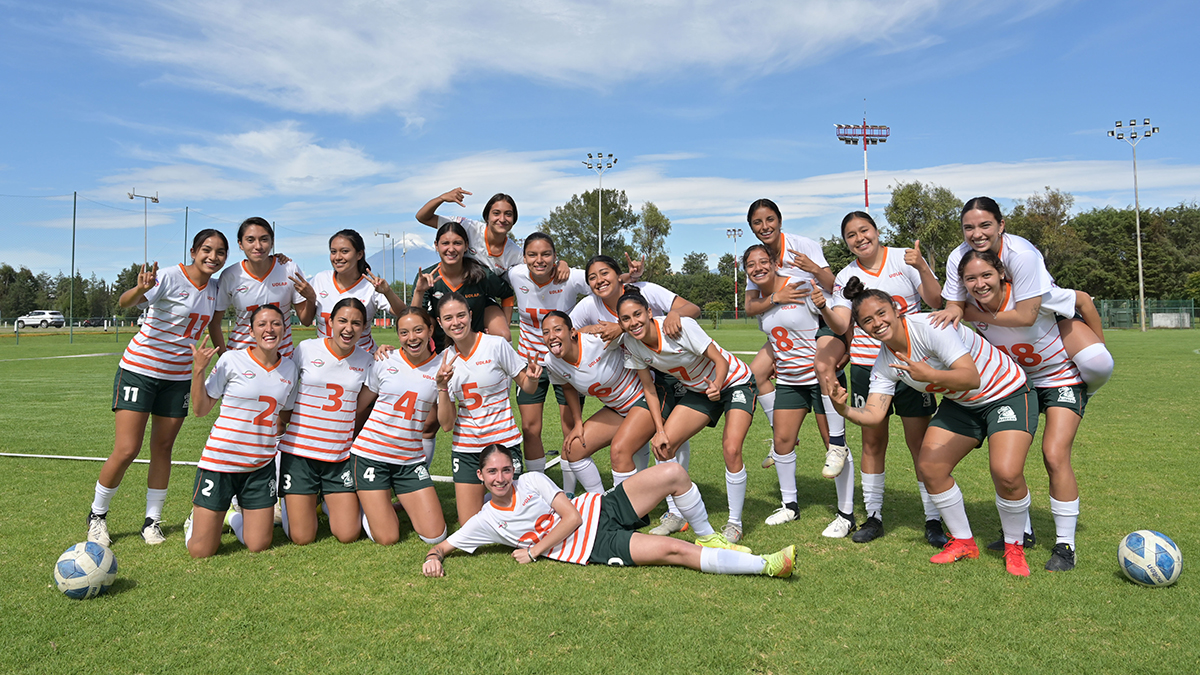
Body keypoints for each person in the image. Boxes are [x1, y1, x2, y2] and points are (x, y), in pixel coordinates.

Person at [828, 278, 1039, 577]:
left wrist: (928, 374)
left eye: (881, 313)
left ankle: (1014, 546)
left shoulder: (931, 327)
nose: (876, 323)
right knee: (930, 467)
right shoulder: (885, 362)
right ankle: (964, 541)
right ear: (861, 329)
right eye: (867, 321)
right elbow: (874, 415)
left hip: (1006, 393)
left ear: (897, 310)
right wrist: (843, 408)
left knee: (1006, 472)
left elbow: (971, 377)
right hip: (963, 403)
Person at [421, 445, 795, 579]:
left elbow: (572, 517)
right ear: (481, 477)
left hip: (600, 507)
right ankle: (767, 565)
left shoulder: (532, 481)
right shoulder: (487, 521)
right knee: (674, 553)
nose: (501, 478)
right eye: (492, 472)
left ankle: (708, 533)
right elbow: (443, 547)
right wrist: (433, 558)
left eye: (506, 470)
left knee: (674, 473)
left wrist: (534, 551)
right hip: (595, 546)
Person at [961, 249, 1103, 571]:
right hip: (1016, 385)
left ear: (1001, 275)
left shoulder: (1032, 297)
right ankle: (1021, 532)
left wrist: (1098, 347)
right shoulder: (968, 309)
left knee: (1054, 454)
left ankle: (1066, 545)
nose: (980, 284)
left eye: (986, 275)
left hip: (1061, 377)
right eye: (971, 278)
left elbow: (1082, 301)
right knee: (1008, 459)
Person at [85, 230, 228, 547]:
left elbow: (214, 327)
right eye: (207, 250)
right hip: (140, 372)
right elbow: (125, 303)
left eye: (220, 252)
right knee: (126, 449)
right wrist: (140, 288)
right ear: (193, 251)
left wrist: (228, 363)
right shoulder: (168, 276)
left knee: (163, 449)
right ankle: (97, 517)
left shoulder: (216, 289)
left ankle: (152, 522)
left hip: (177, 379)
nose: (213, 257)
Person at [823, 211, 947, 546]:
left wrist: (922, 266)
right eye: (851, 235)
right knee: (872, 442)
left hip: (910, 363)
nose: (860, 238)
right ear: (846, 242)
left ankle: (933, 519)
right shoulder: (845, 275)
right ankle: (873, 516)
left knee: (919, 443)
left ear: (876, 231)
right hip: (866, 367)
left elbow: (936, 301)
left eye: (864, 230)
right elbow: (840, 325)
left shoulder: (904, 257)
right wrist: (823, 306)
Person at [570, 253, 701, 535]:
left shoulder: (646, 291)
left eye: (604, 273)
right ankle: (616, 508)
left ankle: (675, 510)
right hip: (628, 391)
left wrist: (672, 314)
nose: (598, 280)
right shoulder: (588, 306)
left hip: (663, 379)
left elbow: (692, 308)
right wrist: (588, 329)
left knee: (666, 439)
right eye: (591, 277)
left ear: (620, 276)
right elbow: (567, 333)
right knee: (622, 448)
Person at [930, 196, 1113, 394]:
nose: (977, 234)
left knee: (1099, 363)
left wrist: (976, 315)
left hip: (1047, 313)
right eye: (968, 228)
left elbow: (1027, 316)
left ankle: (1081, 394)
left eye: (985, 225)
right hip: (1000, 320)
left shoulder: (1020, 253)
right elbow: (955, 305)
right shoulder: (958, 256)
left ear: (1001, 225)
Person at [617, 288, 757, 545]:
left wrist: (717, 383)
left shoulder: (679, 327)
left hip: (733, 381)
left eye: (637, 314)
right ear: (620, 323)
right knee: (664, 445)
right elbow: (649, 389)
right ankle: (676, 514)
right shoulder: (631, 344)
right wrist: (659, 430)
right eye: (626, 319)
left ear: (649, 312)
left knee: (731, 448)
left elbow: (719, 359)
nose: (633, 322)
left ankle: (735, 524)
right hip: (700, 391)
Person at [742, 244, 855, 537]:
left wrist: (845, 349)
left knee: (834, 446)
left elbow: (836, 320)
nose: (758, 268)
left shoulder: (800, 285)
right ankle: (789, 505)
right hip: (790, 380)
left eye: (762, 261)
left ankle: (846, 514)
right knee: (781, 441)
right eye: (751, 265)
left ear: (773, 262)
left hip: (820, 378)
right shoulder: (764, 299)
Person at [740, 199, 849, 479]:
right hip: (788, 326)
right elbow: (750, 306)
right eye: (757, 222)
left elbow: (833, 285)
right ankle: (781, 436)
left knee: (823, 369)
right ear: (751, 227)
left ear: (779, 219)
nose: (765, 226)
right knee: (755, 374)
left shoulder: (803, 245)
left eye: (770, 219)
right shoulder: (759, 258)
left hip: (821, 319)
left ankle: (836, 446)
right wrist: (777, 297)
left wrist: (813, 268)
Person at [185, 305, 298, 559]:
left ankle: (233, 516)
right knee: (201, 551)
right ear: (251, 330)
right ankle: (195, 521)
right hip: (220, 462)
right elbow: (201, 409)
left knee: (258, 544)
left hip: (260, 466)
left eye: (276, 324)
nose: (269, 330)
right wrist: (198, 370)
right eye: (262, 324)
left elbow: (286, 415)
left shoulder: (290, 369)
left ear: (284, 328)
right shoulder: (231, 360)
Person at [435, 292, 543, 525]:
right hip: (466, 448)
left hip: (502, 441)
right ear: (440, 323)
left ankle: (507, 495)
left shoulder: (495, 345)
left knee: (517, 519)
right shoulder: (443, 361)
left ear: (471, 315)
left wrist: (532, 378)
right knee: (469, 524)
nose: (456, 323)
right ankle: (489, 497)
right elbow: (445, 425)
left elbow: (526, 385)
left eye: (461, 315)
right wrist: (442, 387)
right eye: (449, 318)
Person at [276, 298, 374, 545]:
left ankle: (323, 502)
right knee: (302, 537)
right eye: (342, 321)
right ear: (330, 322)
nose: (348, 328)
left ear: (364, 327)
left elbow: (362, 406)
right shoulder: (307, 349)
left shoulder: (368, 360)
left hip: (338, 455)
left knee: (348, 534)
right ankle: (295, 502)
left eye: (356, 323)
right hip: (299, 454)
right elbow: (284, 387)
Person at [350, 306, 449, 547]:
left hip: (409, 459)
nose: (412, 338)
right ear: (398, 335)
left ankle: (384, 504)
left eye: (418, 330)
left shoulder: (442, 368)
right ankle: (367, 509)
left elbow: (446, 424)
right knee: (388, 537)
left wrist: (442, 387)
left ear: (430, 330)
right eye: (404, 332)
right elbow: (360, 406)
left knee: (435, 536)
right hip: (371, 455)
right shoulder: (384, 361)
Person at [541, 311, 664, 495]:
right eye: (545, 332)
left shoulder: (596, 341)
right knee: (573, 450)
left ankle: (629, 507)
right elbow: (568, 388)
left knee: (619, 450)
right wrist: (577, 423)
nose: (552, 336)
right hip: (616, 409)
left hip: (645, 399)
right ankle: (601, 502)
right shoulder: (551, 361)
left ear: (572, 331)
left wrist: (620, 326)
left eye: (557, 329)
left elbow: (635, 333)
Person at [507, 233, 592, 481]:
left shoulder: (571, 277)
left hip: (564, 362)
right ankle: (535, 484)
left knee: (571, 427)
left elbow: (605, 283)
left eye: (546, 254)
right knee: (530, 428)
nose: (539, 259)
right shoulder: (516, 275)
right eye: (532, 254)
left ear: (555, 256)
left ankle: (567, 487)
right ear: (524, 258)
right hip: (529, 364)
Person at [209, 217, 315, 358]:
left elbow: (306, 321)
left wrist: (311, 298)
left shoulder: (288, 269)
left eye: (264, 239)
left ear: (272, 243)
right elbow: (214, 323)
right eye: (250, 240)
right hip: (241, 358)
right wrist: (224, 357)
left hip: (282, 358)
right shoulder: (230, 275)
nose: (258, 246)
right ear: (240, 244)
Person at [412, 221, 515, 348]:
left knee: (502, 334)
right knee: (425, 323)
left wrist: (504, 324)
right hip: (442, 345)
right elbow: (414, 320)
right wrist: (419, 291)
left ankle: (505, 365)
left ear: (466, 246)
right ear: (436, 246)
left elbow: (507, 294)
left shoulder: (481, 275)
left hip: (476, 344)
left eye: (457, 243)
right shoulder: (426, 277)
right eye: (445, 243)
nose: (451, 249)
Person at [308, 229, 406, 353]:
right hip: (325, 358)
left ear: (359, 254)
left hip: (362, 362)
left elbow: (404, 313)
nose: (337, 257)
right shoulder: (320, 279)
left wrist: (387, 292)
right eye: (333, 252)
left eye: (345, 251)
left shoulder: (371, 286)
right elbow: (306, 320)